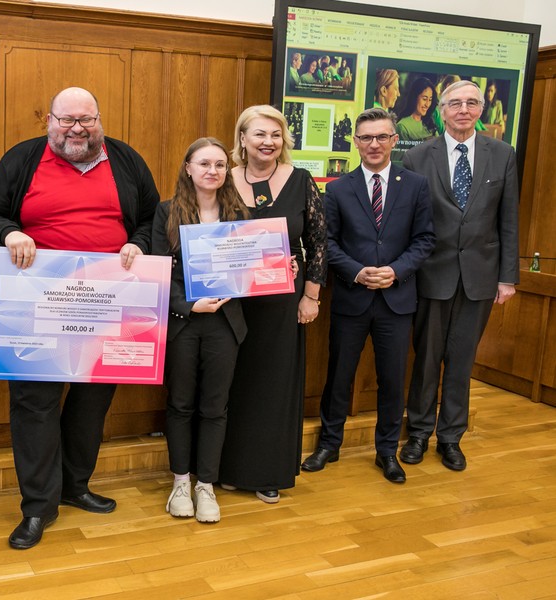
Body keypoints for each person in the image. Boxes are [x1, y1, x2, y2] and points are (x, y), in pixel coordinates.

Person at [0, 87, 159, 549]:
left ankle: (75, 485)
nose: (77, 129)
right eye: (66, 120)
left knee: (91, 400)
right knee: (34, 404)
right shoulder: (22, 160)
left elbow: (154, 218)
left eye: (86, 120)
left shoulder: (126, 160)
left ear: (100, 120)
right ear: (50, 120)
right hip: (38, 303)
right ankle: (38, 507)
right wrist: (11, 231)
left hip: (109, 302)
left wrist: (139, 242)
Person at [301, 108, 434, 484]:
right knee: (339, 375)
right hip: (351, 298)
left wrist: (396, 271)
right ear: (355, 142)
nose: (373, 144)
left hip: (397, 299)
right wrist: (358, 272)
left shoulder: (416, 185)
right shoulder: (338, 188)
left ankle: (387, 451)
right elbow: (325, 243)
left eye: (381, 137)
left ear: (394, 141)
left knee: (392, 380)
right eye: (366, 138)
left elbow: (425, 239)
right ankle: (329, 443)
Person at [401, 80, 519, 471]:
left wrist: (507, 277)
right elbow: (409, 222)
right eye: (455, 103)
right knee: (427, 359)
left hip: (481, 277)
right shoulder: (418, 156)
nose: (463, 110)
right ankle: (418, 433)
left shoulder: (502, 154)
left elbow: (508, 220)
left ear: (481, 110)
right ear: (442, 110)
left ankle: (451, 437)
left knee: (462, 361)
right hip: (431, 274)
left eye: (472, 103)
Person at [220, 105, 326, 503]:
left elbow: (318, 242)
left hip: (283, 301)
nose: (268, 142)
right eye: (260, 134)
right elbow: (208, 236)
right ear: (242, 140)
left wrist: (311, 296)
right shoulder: (224, 180)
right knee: (233, 383)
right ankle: (229, 468)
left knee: (274, 384)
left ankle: (268, 472)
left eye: (276, 135)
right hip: (233, 301)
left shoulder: (300, 180)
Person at [152, 138, 249, 523]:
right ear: (188, 167)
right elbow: (159, 269)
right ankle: (180, 483)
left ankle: (206, 485)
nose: (213, 170)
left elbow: (253, 267)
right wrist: (189, 304)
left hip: (226, 324)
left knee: (215, 406)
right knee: (180, 404)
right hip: (183, 324)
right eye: (204, 163)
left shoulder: (240, 214)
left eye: (221, 165)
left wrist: (280, 268)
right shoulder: (165, 213)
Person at [396, 77, 437, 143]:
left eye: (430, 100)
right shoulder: (402, 127)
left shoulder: (429, 122)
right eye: (424, 99)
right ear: (414, 97)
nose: (427, 104)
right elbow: (402, 152)